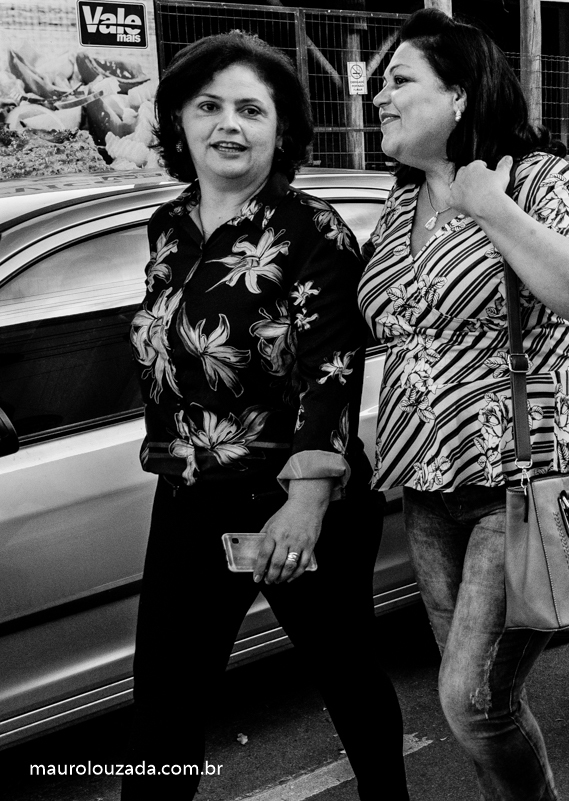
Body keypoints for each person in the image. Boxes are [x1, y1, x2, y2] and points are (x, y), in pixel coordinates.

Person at [123, 32, 409, 801]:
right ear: (178, 121)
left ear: (281, 129)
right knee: (164, 701)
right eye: (209, 105)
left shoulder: (312, 230)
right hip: (189, 493)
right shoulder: (168, 227)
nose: (229, 124)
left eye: (252, 109)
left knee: (347, 679)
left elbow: (332, 371)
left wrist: (308, 500)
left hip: (293, 500)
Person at [357, 9, 569, 800]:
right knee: (482, 699)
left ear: (461, 95)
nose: (379, 98)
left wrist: (494, 209)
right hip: (426, 488)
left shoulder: (534, 178)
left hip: (521, 480)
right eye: (379, 85)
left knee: (470, 699)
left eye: (399, 80)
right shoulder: (398, 208)